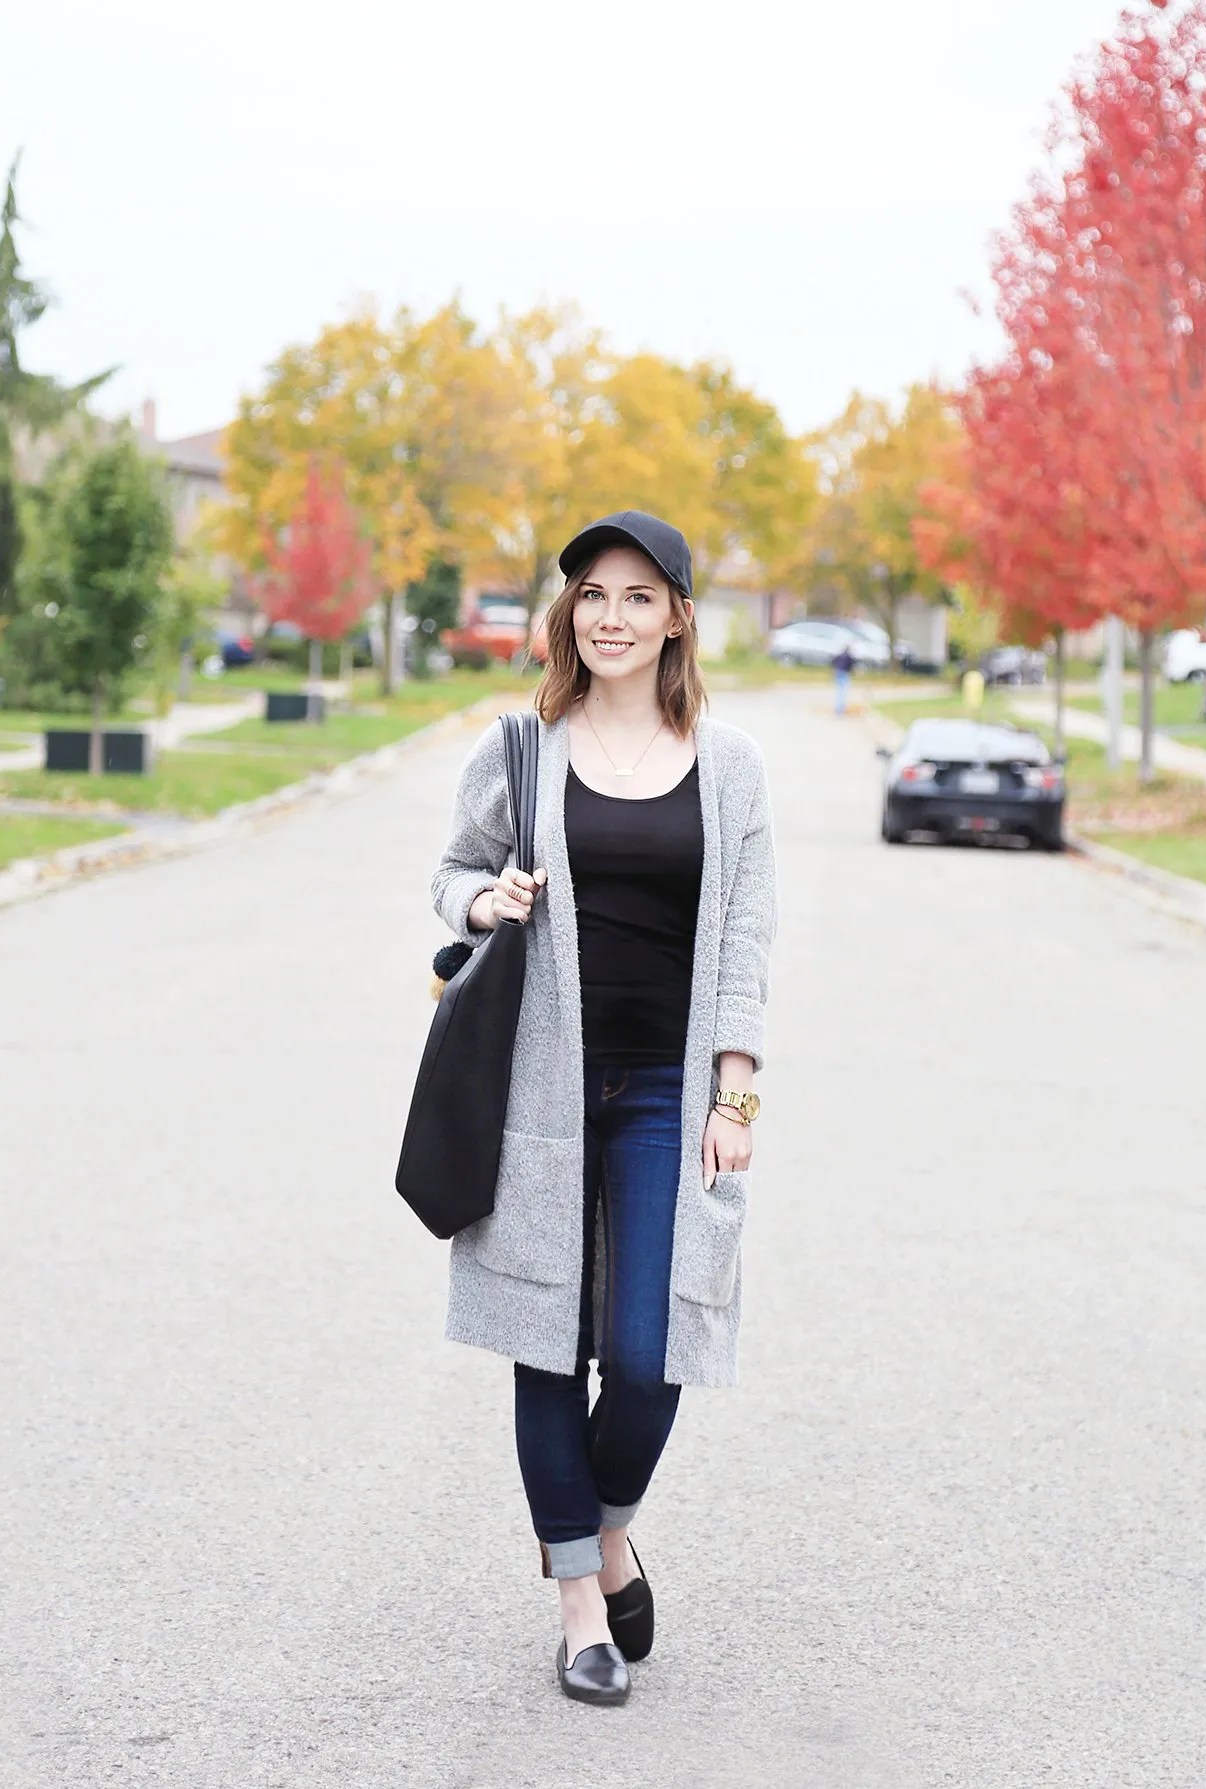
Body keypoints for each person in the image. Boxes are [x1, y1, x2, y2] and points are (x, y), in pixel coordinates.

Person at [430, 510, 777, 1707]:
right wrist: (486, 905)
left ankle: (606, 1530)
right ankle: (581, 1604)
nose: (611, 616)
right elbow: (449, 873)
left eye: (638, 597)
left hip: (666, 1092)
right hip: (539, 1084)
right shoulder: (522, 746)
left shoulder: (727, 763)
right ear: (567, 611)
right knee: (542, 1338)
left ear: (678, 614)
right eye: (592, 594)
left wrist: (737, 1089)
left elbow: (745, 937)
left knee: (646, 1352)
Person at [831, 639, 857, 715]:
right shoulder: (849, 657)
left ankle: (837, 709)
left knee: (839, 692)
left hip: (837, 673)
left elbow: (833, 662)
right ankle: (840, 710)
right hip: (844, 675)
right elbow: (852, 667)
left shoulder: (840, 655)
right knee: (843, 693)